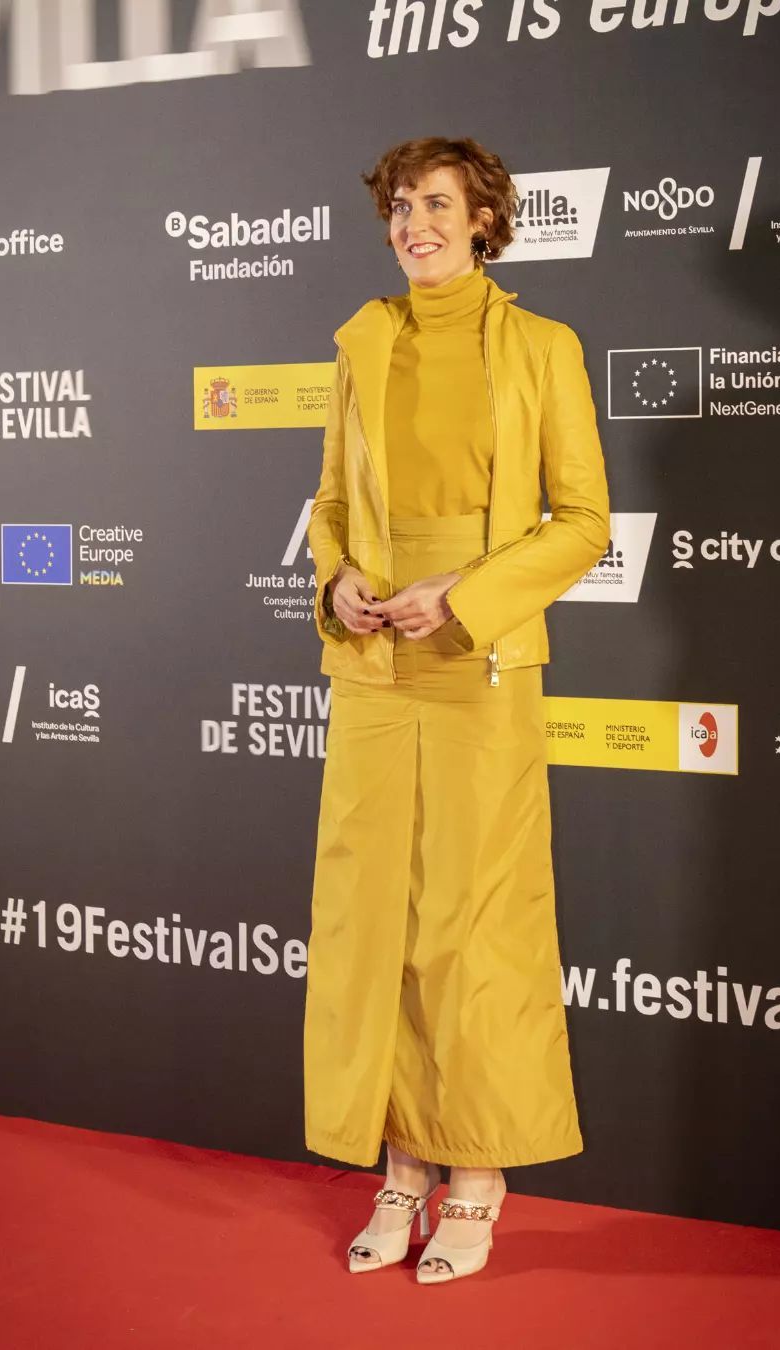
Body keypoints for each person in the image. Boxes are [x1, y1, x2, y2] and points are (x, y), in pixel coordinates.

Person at [302, 136, 610, 1284]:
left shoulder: (542, 346)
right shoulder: (363, 341)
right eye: (398, 205)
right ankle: (402, 1167)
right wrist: (337, 580)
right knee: (376, 923)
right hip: (374, 671)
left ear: (484, 219)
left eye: (437, 203)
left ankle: (477, 1175)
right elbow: (332, 504)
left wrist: (465, 596)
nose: (413, 223)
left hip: (479, 663)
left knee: (474, 928)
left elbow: (584, 521)